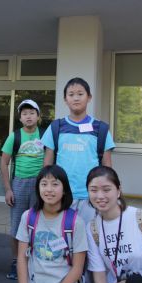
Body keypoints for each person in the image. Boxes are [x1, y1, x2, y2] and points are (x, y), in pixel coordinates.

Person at [42, 77, 115, 225]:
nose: (76, 98)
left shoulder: (100, 128)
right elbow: (47, 164)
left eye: (80, 94)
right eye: (71, 94)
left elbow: (107, 165)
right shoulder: (56, 127)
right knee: (62, 238)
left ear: (89, 97)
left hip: (91, 196)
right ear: (65, 99)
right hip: (61, 194)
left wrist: (106, 192)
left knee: (90, 239)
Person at [0, 98, 45, 280]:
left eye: (31, 113)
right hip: (19, 183)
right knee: (17, 225)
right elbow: (4, 163)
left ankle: (34, 260)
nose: (28, 116)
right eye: (25, 113)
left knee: (38, 223)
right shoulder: (15, 135)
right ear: (20, 117)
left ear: (38, 116)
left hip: (41, 184)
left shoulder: (45, 134)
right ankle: (16, 261)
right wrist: (8, 189)